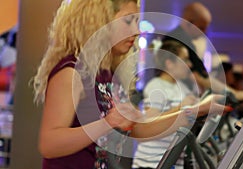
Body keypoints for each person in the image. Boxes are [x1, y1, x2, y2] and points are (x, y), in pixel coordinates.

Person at [32, 0, 227, 168]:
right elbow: (49, 144)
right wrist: (107, 123)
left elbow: (137, 128)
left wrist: (194, 111)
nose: (137, 30)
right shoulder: (72, 71)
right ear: (100, 21)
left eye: (137, 22)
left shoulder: (107, 74)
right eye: (128, 21)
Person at [164, 2, 243, 102]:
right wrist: (233, 94)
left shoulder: (180, 39)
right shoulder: (179, 40)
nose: (204, 32)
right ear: (189, 23)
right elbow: (199, 76)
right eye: (201, 27)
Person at [132, 40, 198, 169]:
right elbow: (149, 126)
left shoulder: (183, 87)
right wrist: (181, 107)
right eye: (184, 60)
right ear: (169, 63)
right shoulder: (156, 86)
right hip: (151, 163)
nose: (189, 64)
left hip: (173, 163)